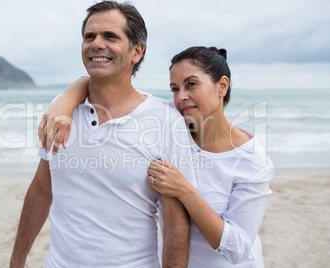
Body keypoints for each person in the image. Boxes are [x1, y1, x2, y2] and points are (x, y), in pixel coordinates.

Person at [38, 46, 274, 267]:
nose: (180, 97)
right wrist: (68, 99)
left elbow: (238, 248)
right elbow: (106, 88)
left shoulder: (251, 160)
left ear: (222, 86)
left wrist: (185, 191)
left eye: (191, 85)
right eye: (174, 89)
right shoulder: (168, 124)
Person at [10, 1, 197, 268]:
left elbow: (176, 222)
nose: (96, 44)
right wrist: (17, 260)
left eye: (110, 36)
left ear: (137, 51)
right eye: (89, 36)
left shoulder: (165, 120)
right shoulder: (61, 110)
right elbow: (42, 189)